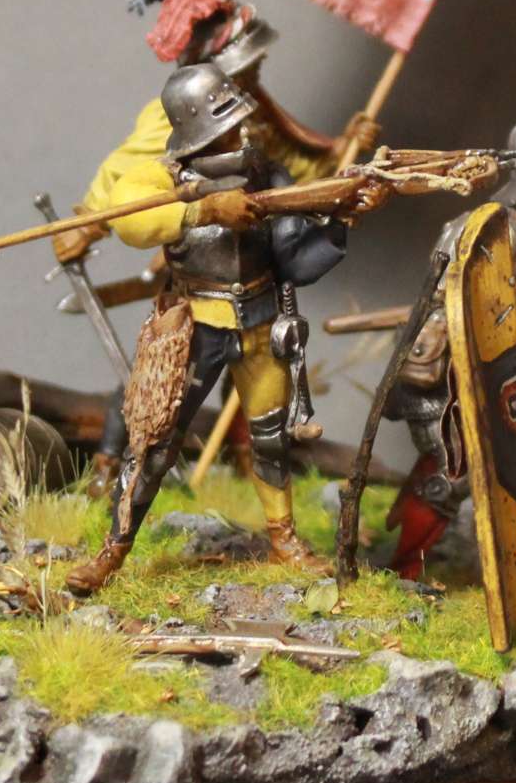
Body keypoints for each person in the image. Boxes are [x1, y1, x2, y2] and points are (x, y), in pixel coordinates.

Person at [56, 0, 376, 495]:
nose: (256, 73)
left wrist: (346, 153)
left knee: (255, 378)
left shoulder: (253, 116)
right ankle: (111, 462)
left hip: (251, 275)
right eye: (245, 68)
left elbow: (295, 180)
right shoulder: (174, 116)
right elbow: (126, 174)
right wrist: (88, 223)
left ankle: (244, 462)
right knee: (161, 376)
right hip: (196, 272)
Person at [66, 62, 381, 594]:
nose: (241, 132)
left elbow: (296, 261)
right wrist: (205, 210)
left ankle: (284, 539)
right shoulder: (163, 178)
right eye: (228, 124)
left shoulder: (267, 174)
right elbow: (128, 220)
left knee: (271, 439)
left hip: (261, 323)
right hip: (195, 328)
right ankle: (112, 550)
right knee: (154, 444)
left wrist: (340, 218)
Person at [383, 117, 516, 578]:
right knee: (455, 472)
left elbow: (489, 301)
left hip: (460, 367)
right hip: (439, 371)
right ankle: (403, 570)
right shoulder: (497, 230)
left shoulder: (508, 228)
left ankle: (406, 535)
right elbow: (463, 304)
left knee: (510, 459)